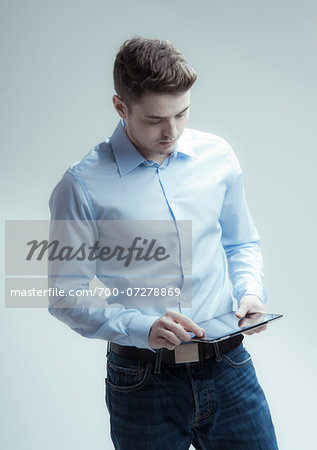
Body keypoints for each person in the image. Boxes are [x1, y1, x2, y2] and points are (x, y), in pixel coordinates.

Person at [48, 36, 278, 449]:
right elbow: (65, 295)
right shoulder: (81, 186)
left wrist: (250, 293)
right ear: (121, 107)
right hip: (142, 382)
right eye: (155, 119)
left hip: (229, 365)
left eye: (182, 112)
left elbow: (241, 242)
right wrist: (142, 327)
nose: (171, 130)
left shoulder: (218, 157)